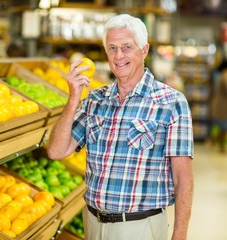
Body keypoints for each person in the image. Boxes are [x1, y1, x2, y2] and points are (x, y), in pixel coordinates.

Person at [47, 14, 194, 240]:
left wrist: (180, 234)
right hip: (94, 224)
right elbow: (56, 151)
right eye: (112, 48)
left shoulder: (171, 102)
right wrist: (73, 99)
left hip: (140, 227)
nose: (119, 55)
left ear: (144, 50)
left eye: (127, 47)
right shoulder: (95, 100)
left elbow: (183, 178)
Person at [211, 59, 227, 153]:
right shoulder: (225, 75)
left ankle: (215, 142)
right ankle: (220, 146)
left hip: (221, 104)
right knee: (223, 127)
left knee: (221, 127)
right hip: (223, 105)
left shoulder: (222, 74)